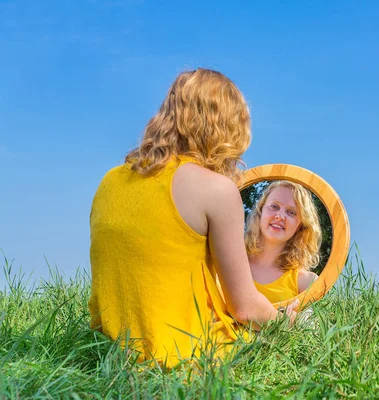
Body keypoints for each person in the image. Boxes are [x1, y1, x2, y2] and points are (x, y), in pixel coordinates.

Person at [88, 68, 298, 368]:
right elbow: (245, 308)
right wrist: (285, 323)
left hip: (110, 354)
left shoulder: (108, 181)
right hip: (187, 355)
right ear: (228, 128)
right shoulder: (216, 189)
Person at [244, 180, 322, 303]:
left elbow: (311, 320)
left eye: (291, 212)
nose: (280, 216)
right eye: (274, 206)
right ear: (260, 211)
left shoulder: (306, 282)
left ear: (300, 225)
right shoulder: (232, 260)